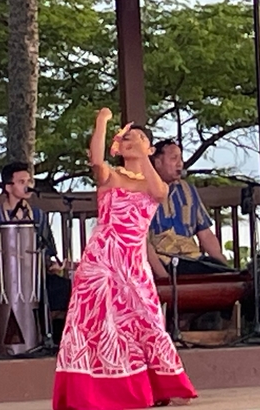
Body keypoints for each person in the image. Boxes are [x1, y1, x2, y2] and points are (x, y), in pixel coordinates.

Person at [52, 109, 196, 409]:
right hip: (101, 262)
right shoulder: (111, 176)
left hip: (132, 263)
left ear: (150, 148)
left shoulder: (156, 183)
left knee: (146, 320)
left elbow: (158, 192)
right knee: (96, 325)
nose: (134, 141)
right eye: (128, 138)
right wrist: (102, 123)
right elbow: (96, 160)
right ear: (118, 146)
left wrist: (144, 155)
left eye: (141, 138)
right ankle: (93, 393)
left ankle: (160, 386)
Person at [0, 162, 71, 314]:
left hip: (37, 279)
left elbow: (48, 253)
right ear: (8, 187)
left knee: (69, 291)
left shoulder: (39, 216)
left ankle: (52, 334)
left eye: (29, 181)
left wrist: (53, 264)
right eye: (21, 182)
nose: (28, 185)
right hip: (6, 281)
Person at [146, 139, 227, 279]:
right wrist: (163, 276)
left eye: (181, 158)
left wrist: (223, 265)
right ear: (157, 162)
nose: (180, 164)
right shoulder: (143, 192)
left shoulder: (188, 190)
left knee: (221, 272)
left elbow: (205, 234)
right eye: (173, 158)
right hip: (164, 260)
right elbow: (143, 243)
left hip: (192, 258)